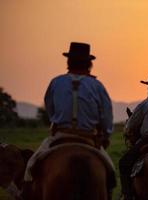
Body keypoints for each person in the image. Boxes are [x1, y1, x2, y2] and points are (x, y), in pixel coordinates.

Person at [23, 42, 113, 184]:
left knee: (30, 169)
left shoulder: (56, 82)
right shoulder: (97, 86)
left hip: (60, 135)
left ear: (69, 61)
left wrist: (58, 119)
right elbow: (106, 115)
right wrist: (106, 134)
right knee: (111, 174)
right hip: (88, 137)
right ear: (89, 64)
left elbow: (50, 109)